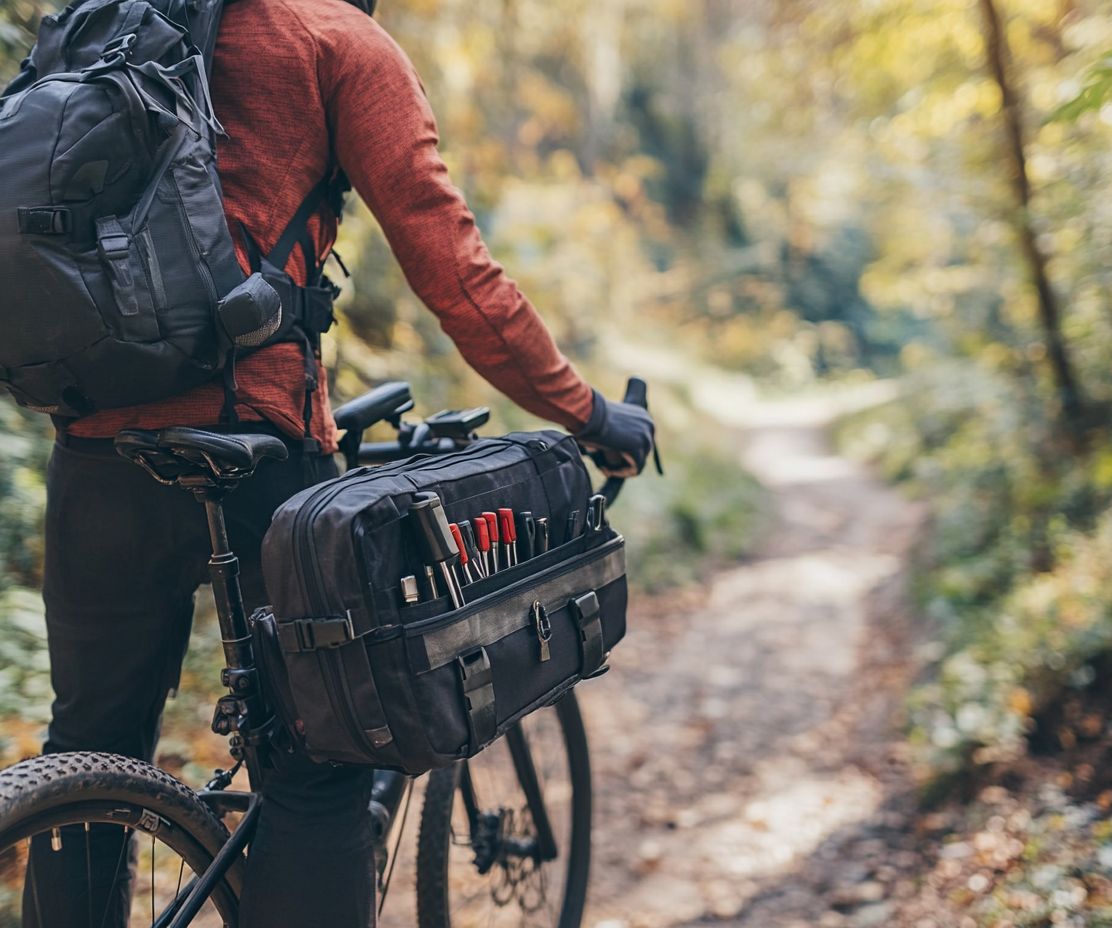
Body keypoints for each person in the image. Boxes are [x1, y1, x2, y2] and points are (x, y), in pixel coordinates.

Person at [33, 0, 655, 924]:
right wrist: (588, 411)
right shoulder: (332, 39)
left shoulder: (107, 28)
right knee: (319, 770)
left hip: (91, 451)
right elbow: (456, 272)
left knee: (87, 752)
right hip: (256, 453)